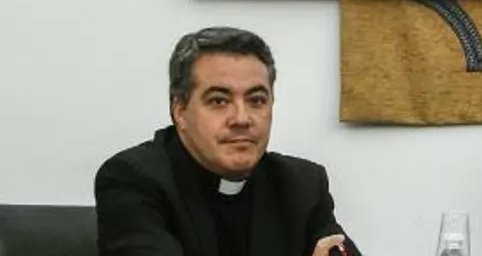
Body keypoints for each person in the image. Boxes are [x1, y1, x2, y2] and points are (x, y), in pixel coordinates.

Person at [96, 28, 358, 256]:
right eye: (219, 101)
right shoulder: (134, 180)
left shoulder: (301, 185)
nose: (241, 119)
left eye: (256, 100)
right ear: (180, 111)